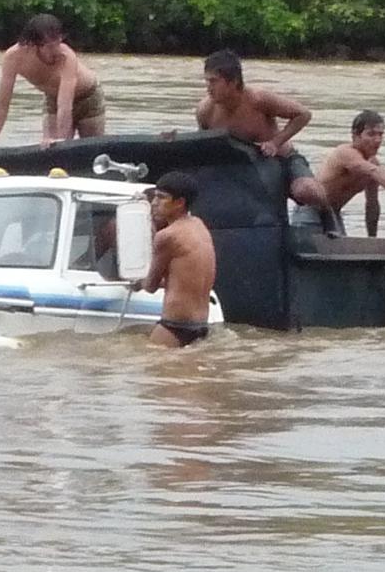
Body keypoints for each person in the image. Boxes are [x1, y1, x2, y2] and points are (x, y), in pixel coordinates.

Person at [290, 110, 385, 236]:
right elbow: (372, 171)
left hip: (333, 213)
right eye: (371, 134)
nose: (377, 140)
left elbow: (372, 205)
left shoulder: (373, 164)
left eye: (380, 134)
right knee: (310, 249)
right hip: (310, 210)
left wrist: (372, 238)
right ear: (355, 135)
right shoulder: (345, 153)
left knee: (341, 250)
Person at [0, 13, 105, 147]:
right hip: (53, 99)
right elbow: (2, 105)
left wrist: (62, 141)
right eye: (50, 46)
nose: (56, 50)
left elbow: (65, 104)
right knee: (49, 146)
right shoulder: (13, 58)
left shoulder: (67, 56)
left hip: (89, 98)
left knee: (93, 149)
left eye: (58, 42)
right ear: (32, 44)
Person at [133, 171, 217, 348]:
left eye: (161, 197)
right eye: (154, 197)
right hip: (201, 325)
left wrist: (138, 282)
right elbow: (185, 280)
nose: (154, 203)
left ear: (180, 202)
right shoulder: (199, 225)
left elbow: (150, 286)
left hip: (173, 326)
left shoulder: (167, 236)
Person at [195, 49, 311, 157]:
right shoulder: (204, 111)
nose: (208, 87)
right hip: (239, 164)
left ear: (233, 82)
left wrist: (275, 143)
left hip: (282, 159)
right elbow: (203, 147)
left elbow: (304, 114)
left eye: (213, 81)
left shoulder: (259, 100)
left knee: (301, 174)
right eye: (207, 81)